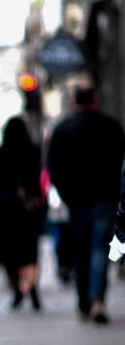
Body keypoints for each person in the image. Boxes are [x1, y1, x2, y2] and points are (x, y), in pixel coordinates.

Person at [47, 83, 125, 323]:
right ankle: (98, 300)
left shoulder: (62, 129)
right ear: (95, 100)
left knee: (81, 249)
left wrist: (66, 193)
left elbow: (53, 167)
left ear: (74, 102)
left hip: (77, 199)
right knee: (100, 248)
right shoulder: (112, 127)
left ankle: (84, 301)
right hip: (105, 198)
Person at [0, 115, 47, 310]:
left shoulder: (1, 153)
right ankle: (32, 289)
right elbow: (41, 182)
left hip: (8, 214)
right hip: (30, 212)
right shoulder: (34, 152)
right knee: (30, 254)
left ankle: (18, 291)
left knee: (11, 255)